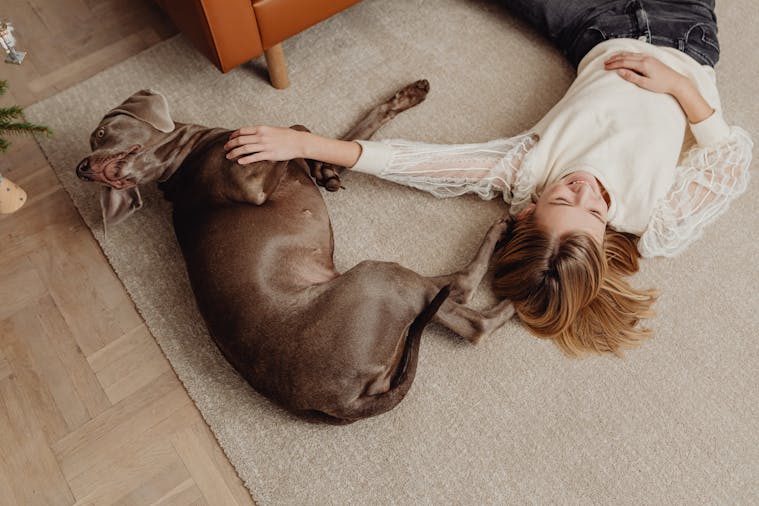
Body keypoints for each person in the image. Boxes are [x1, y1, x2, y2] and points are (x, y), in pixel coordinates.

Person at [223, 0, 753, 356]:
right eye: (594, 211)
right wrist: (680, 89)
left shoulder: (525, 169)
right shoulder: (656, 218)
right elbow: (732, 155)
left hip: (592, 23)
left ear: (526, 210)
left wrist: (302, 144)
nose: (587, 189)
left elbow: (416, 163)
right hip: (685, 30)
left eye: (565, 196)